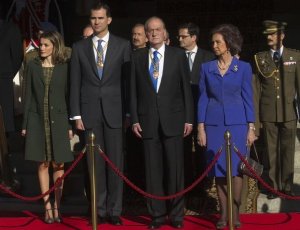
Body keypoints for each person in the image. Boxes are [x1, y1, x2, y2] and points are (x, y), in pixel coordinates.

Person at [69, 2, 131, 226]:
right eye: (93, 18)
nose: (96, 22)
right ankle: (98, 208)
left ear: (109, 20)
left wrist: (129, 113)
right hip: (90, 113)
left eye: (100, 18)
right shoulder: (79, 48)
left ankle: (115, 209)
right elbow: (74, 82)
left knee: (115, 163)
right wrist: (76, 115)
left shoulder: (123, 46)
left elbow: (127, 83)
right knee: (94, 164)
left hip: (115, 112)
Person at [130, 16, 193, 229]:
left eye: (158, 30)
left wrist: (189, 119)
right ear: (146, 35)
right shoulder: (137, 57)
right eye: (150, 30)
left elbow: (186, 89)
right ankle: (156, 216)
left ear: (165, 33)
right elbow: (133, 92)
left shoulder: (178, 55)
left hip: (174, 120)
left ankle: (176, 215)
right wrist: (135, 119)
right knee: (152, 171)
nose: (154, 33)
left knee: (175, 170)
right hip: (147, 121)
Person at [197, 24, 256, 229]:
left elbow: (249, 99)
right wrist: (201, 127)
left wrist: (251, 127)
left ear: (228, 44)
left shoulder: (244, 68)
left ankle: (235, 213)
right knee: (219, 171)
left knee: (236, 171)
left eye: (218, 42)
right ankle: (223, 215)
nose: (214, 45)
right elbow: (203, 98)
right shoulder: (207, 68)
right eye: (213, 42)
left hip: (238, 125)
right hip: (214, 126)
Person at [21, 31, 73, 224]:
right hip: (37, 119)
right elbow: (28, 97)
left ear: (55, 46)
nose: (41, 48)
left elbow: (68, 97)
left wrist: (69, 124)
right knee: (42, 163)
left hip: (59, 121)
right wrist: (25, 124)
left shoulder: (64, 67)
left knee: (58, 163)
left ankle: (58, 206)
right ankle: (47, 207)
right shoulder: (33, 66)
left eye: (45, 45)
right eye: (40, 45)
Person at [253, 20, 300, 199]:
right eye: (268, 35)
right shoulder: (260, 58)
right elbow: (256, 91)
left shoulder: (294, 57)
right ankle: (273, 186)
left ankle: (287, 186)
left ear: (282, 35)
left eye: (273, 34)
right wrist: (256, 120)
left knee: (288, 150)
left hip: (289, 112)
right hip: (269, 112)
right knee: (271, 151)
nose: (269, 37)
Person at [177, 22, 214, 190]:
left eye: (183, 36)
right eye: (179, 36)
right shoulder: (175, 55)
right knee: (183, 149)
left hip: (201, 108)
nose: (180, 39)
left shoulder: (208, 57)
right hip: (181, 110)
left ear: (193, 37)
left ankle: (202, 181)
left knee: (202, 147)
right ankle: (186, 182)